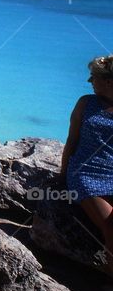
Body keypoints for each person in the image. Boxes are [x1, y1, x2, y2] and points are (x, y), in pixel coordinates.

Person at [62, 54, 113, 274]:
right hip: (85, 174)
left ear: (109, 82)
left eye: (93, 77)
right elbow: (71, 141)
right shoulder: (86, 103)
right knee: (111, 226)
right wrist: (63, 174)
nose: (89, 82)